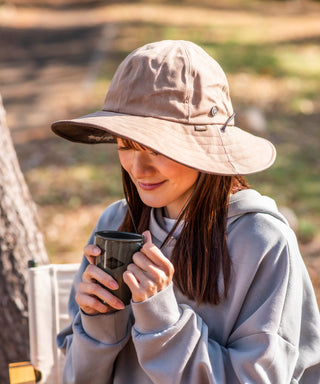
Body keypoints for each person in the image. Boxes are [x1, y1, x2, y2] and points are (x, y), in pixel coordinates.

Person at [51, 40, 320, 384]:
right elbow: (77, 377)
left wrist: (162, 321)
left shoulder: (262, 242)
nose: (138, 169)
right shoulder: (115, 225)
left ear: (205, 147)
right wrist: (98, 322)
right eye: (124, 145)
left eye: (158, 149)